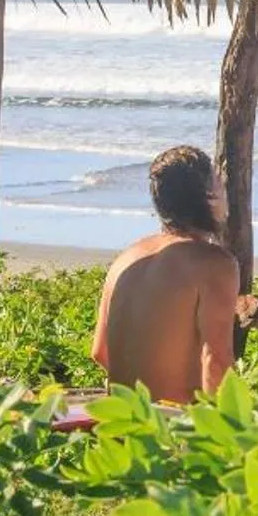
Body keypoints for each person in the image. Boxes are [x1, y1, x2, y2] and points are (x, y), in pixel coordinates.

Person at [90, 145, 242, 404]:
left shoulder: (127, 258)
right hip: (171, 427)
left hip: (123, 422)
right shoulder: (215, 264)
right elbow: (215, 361)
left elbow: (100, 352)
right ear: (208, 197)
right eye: (219, 185)